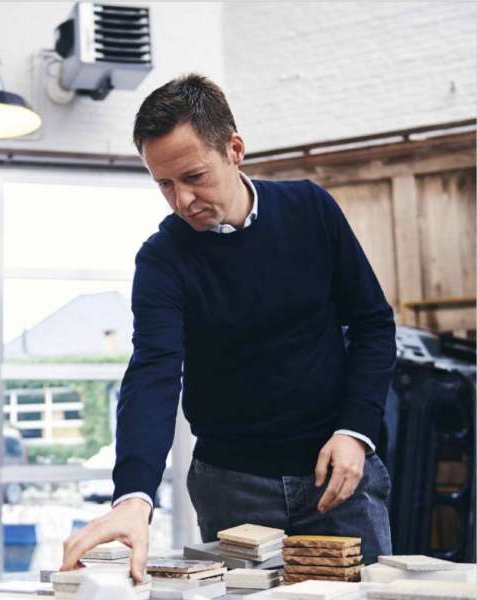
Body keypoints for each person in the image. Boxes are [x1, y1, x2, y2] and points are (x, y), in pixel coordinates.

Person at [61, 73, 396, 582]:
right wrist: (133, 496)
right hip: (232, 486)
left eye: (193, 176)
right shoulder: (162, 260)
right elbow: (153, 373)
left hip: (337, 474)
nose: (181, 200)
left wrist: (356, 432)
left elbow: (373, 324)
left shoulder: (311, 210)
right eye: (165, 184)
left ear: (234, 150)